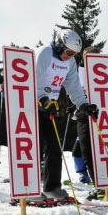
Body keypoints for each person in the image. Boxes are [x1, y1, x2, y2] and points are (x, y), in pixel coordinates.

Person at [36, 29, 98, 200]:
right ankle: (29, 187)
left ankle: (52, 187)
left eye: (74, 54)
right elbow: (32, 79)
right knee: (36, 148)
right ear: (59, 44)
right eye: (68, 52)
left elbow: (73, 86)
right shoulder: (44, 53)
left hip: (49, 107)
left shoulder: (70, 62)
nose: (70, 56)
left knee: (55, 148)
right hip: (32, 105)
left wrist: (83, 105)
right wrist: (41, 98)